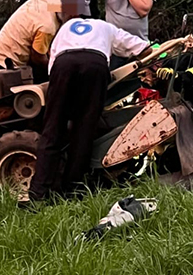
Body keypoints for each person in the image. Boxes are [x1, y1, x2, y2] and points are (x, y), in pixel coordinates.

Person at [27, 16, 152, 202]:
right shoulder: (106, 27)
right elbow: (143, 48)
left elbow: (52, 65)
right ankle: (72, 191)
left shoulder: (66, 27)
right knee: (84, 129)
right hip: (95, 64)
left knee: (53, 128)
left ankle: (38, 193)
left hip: (64, 64)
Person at [0, 0, 91, 83]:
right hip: (5, 64)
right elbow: (37, 57)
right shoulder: (47, 26)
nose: (77, 17)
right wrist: (55, 69)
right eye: (77, 13)